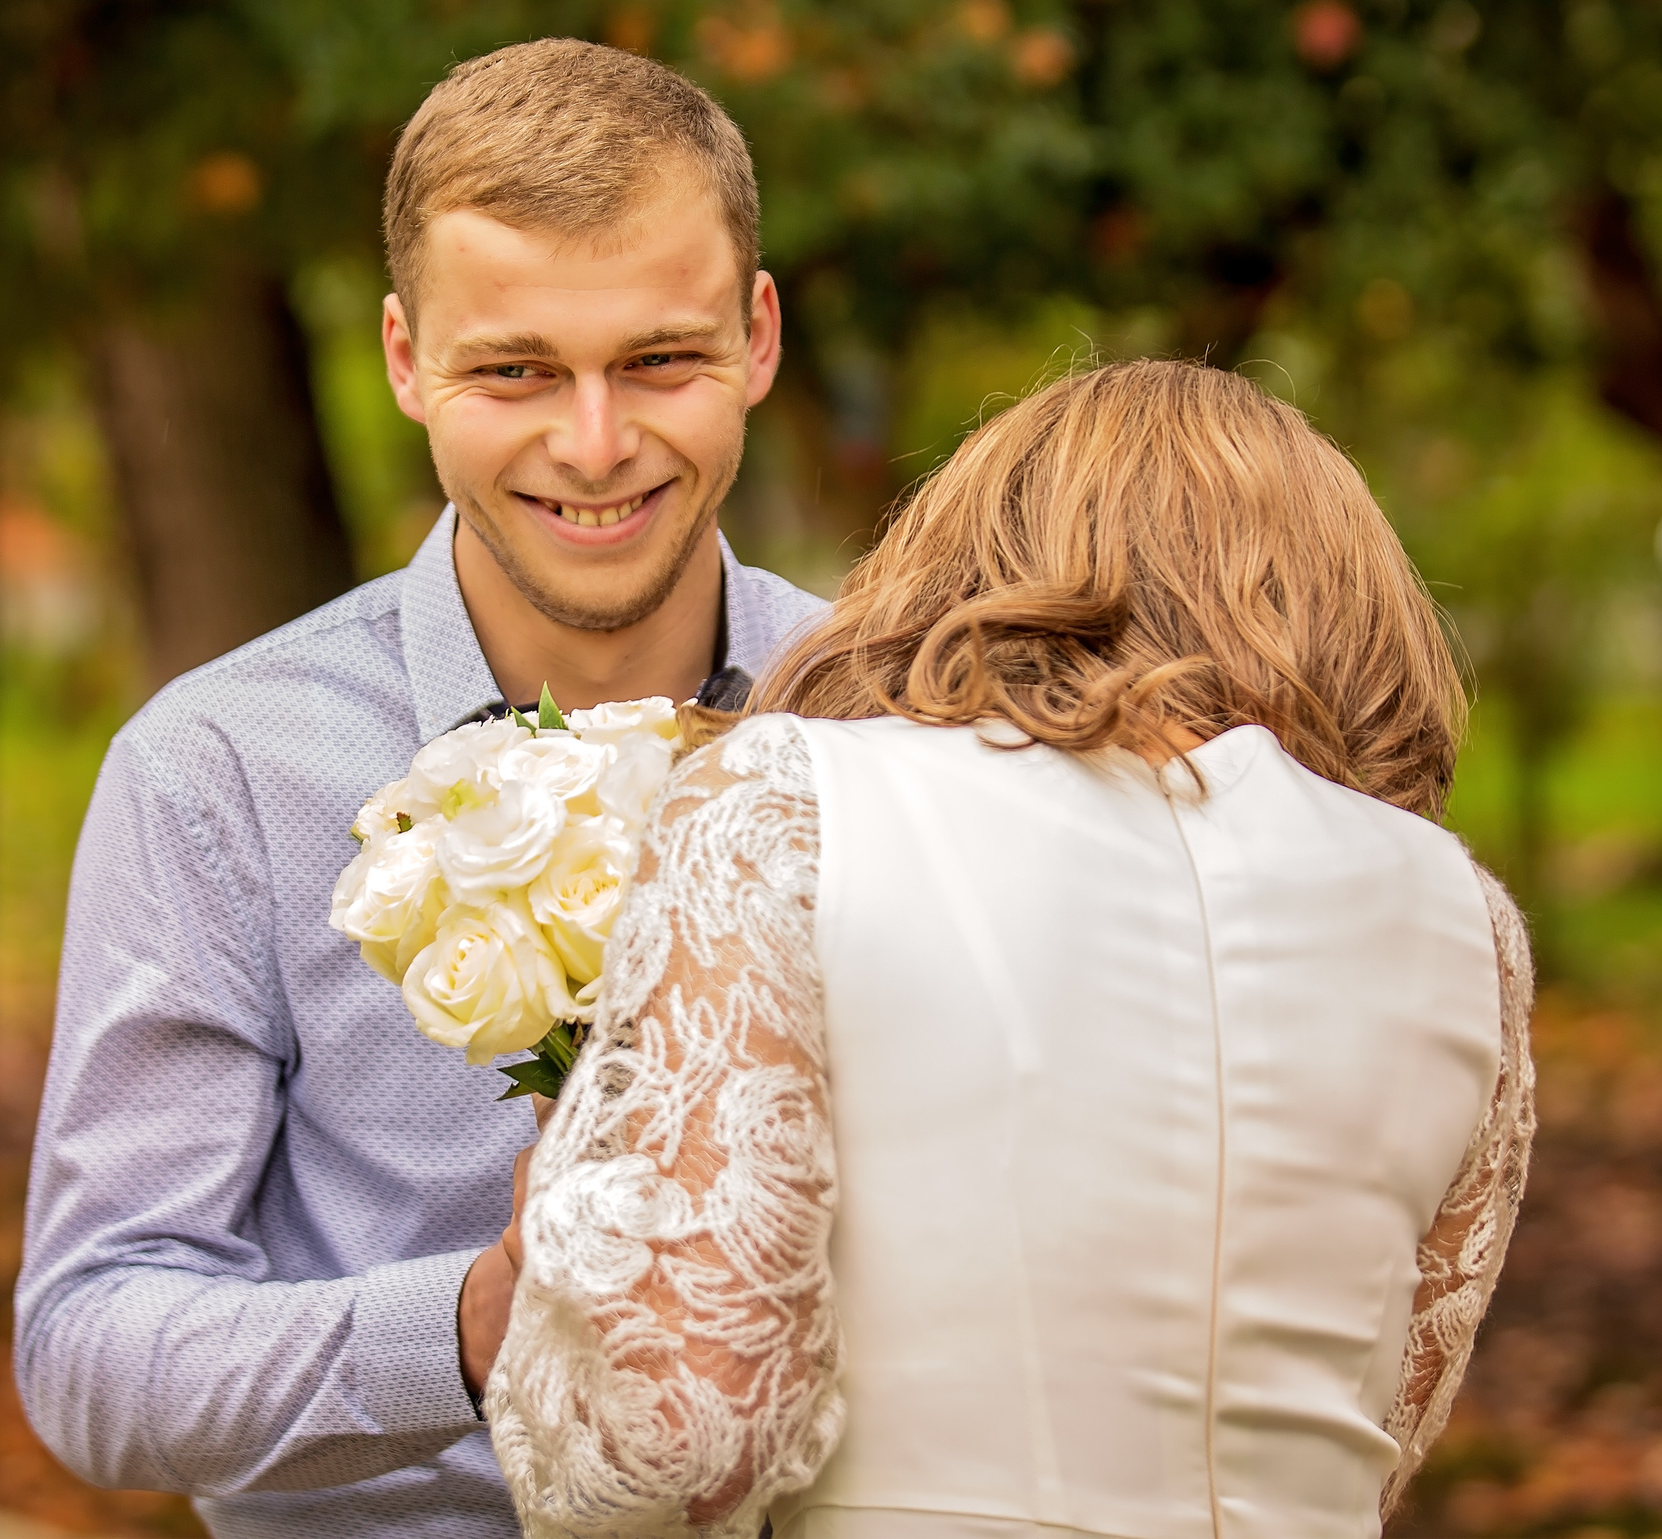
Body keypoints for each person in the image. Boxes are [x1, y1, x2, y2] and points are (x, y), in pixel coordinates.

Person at [486, 359, 1538, 1539]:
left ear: (971, 558)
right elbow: (1378, 1433)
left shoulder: (788, 805)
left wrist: (569, 1252)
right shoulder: (1466, 924)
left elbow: (684, 1438)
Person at [13, 39, 826, 1538]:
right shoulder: (218, 772)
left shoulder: (891, 720)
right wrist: (471, 1320)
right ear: (403, 359)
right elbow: (92, 1347)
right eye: (514, 369)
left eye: (660, 358)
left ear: (758, 335)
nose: (595, 445)